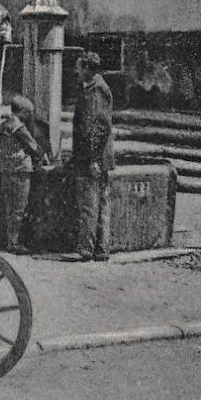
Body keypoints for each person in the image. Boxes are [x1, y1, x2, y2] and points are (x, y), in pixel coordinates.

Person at [67, 52, 115, 262]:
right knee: (99, 202)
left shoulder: (97, 90)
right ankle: (101, 249)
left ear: (87, 68)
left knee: (90, 204)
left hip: (93, 157)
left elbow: (100, 127)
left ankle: (87, 248)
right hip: (93, 155)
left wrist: (93, 158)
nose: (76, 72)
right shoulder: (91, 88)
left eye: (79, 68)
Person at [0, 95, 50, 254]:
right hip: (20, 169)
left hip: (6, 169)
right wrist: (43, 156)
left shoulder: (3, 125)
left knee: (9, 207)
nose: (30, 116)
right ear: (21, 112)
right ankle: (14, 243)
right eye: (28, 113)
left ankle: (10, 239)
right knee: (19, 207)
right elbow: (33, 145)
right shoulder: (19, 127)